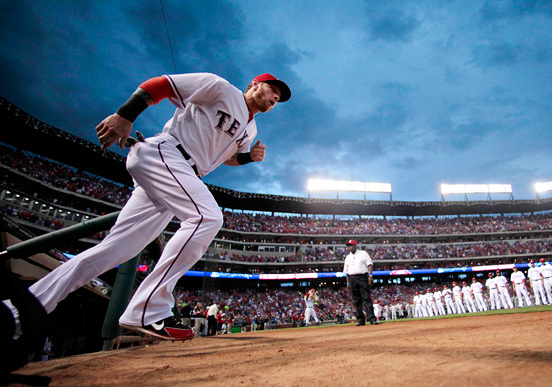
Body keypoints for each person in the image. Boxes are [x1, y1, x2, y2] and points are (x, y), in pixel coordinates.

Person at [28, 72, 291, 341]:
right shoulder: (221, 88)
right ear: (255, 84)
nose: (274, 98)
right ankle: (148, 310)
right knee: (207, 218)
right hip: (167, 154)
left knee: (117, 249)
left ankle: (26, 306)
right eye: (273, 91)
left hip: (179, 172)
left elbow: (228, 158)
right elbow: (164, 84)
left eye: (278, 99)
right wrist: (125, 115)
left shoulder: (252, 129)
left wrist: (248, 157)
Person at [343, 240, 378, 326]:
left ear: (355, 246)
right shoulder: (348, 257)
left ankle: (372, 318)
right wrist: (347, 283)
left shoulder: (363, 253)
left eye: (351, 245)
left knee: (366, 298)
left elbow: (370, 264)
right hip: (352, 278)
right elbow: (347, 272)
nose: (349, 247)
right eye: (348, 246)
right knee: (356, 300)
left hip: (362, 277)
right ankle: (361, 320)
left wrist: (370, 276)